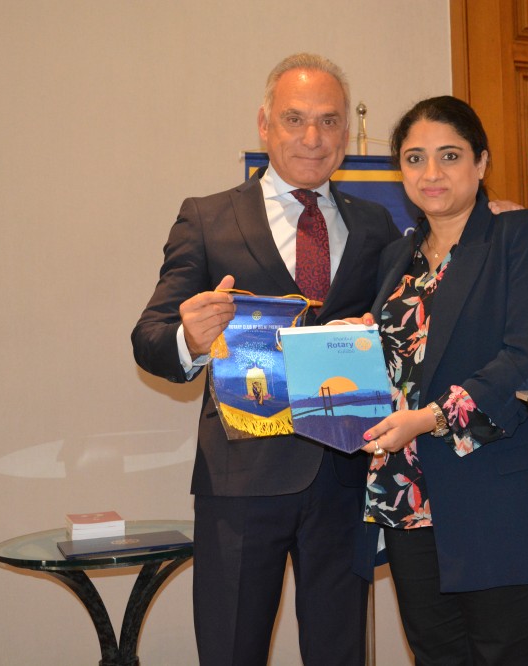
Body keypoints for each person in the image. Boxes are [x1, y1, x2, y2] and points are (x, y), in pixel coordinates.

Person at [131, 53, 401, 665]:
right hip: (240, 480)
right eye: (294, 119)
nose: (313, 138)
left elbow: (402, 333)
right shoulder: (208, 217)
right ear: (264, 124)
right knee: (232, 650)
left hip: (344, 478)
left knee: (341, 654)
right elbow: (149, 337)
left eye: (329, 121)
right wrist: (190, 338)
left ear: (345, 132)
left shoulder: (376, 225)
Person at [354, 96, 528, 665]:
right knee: (435, 655)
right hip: (408, 497)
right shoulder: (396, 258)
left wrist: (428, 419)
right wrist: (351, 345)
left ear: (481, 162)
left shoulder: (524, 235)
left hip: (497, 495)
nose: (431, 173)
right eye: (414, 158)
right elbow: (402, 364)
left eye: (450, 155)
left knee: (503, 655)